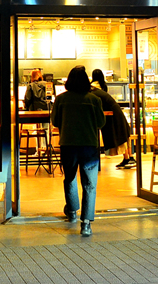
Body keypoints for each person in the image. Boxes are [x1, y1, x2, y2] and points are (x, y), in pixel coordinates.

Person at [52, 66, 105, 236]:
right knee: (89, 184)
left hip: (68, 144)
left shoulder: (60, 99)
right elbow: (101, 122)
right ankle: (86, 223)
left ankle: (72, 210)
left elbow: (55, 121)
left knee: (70, 178)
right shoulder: (94, 99)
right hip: (89, 145)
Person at [91, 70, 133, 168]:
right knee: (123, 134)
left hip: (111, 112)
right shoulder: (103, 86)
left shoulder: (92, 88)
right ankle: (129, 157)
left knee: (120, 135)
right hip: (115, 110)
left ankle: (128, 159)